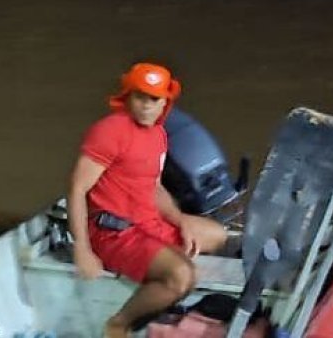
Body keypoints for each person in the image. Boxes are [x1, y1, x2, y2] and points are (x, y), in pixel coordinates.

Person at [67, 62, 227, 338]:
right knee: (182, 276)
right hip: (113, 233)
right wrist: (82, 249)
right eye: (140, 97)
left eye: (154, 99)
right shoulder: (110, 131)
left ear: (165, 101)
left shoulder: (159, 135)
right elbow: (77, 189)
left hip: (148, 222)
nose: (146, 106)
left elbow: (153, 187)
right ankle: (118, 324)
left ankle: (160, 297)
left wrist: (180, 221)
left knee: (217, 234)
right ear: (128, 96)